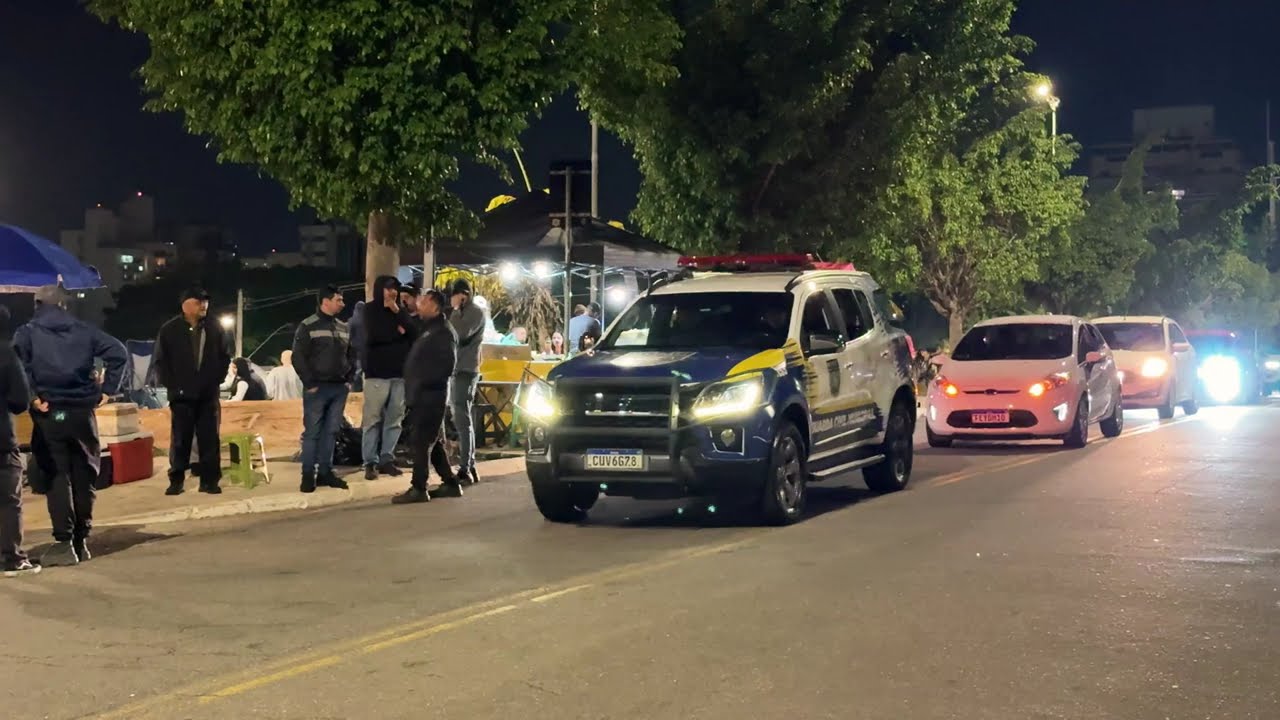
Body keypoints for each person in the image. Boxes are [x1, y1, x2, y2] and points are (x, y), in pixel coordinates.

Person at [14, 285, 127, 567]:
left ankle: (64, 543)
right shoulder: (85, 330)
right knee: (83, 473)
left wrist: (33, 397)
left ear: (37, 304)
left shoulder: (26, 333)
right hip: (82, 412)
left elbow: (17, 367)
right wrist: (107, 390)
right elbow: (119, 353)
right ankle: (82, 540)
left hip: (50, 413)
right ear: (64, 305)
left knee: (57, 476)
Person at [154, 287, 231, 496]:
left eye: (205, 301)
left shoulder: (215, 328)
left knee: (209, 439)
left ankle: (210, 481)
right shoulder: (169, 330)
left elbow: (225, 356)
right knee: (180, 440)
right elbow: (160, 362)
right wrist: (173, 386)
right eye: (198, 302)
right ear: (185, 305)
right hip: (181, 396)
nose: (204, 305)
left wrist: (217, 379)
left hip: (207, 395)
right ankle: (176, 479)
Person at [393, 289, 463, 504]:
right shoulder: (429, 329)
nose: (418, 305)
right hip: (421, 394)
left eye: (422, 302)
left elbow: (446, 366)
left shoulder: (443, 332)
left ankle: (419, 487)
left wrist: (422, 382)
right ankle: (450, 483)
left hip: (431, 395)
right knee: (432, 441)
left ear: (434, 306)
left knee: (421, 442)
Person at [293, 285, 356, 493]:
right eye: (339, 299)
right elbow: (298, 357)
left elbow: (352, 355)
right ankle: (308, 475)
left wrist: (349, 379)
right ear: (325, 301)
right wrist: (309, 383)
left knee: (331, 432)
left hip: (339, 388)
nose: (342, 304)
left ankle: (326, 473)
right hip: (317, 389)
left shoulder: (343, 327)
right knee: (313, 433)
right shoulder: (307, 326)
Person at [361, 276, 417, 480]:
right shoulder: (369, 310)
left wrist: (398, 314)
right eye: (388, 288)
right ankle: (370, 462)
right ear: (379, 290)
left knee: (395, 419)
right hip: (377, 374)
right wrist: (399, 334)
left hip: (400, 374)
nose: (392, 292)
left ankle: (387, 458)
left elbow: (414, 334)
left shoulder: (400, 312)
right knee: (372, 419)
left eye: (395, 288)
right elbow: (374, 336)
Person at [0, 307, 38, 577]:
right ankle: (12, 558)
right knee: (8, 500)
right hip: (1, 440)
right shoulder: (6, 354)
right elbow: (19, 401)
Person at [447, 278, 486, 485]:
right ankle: (468, 465)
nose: (451, 300)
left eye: (454, 295)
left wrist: (456, 311)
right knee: (459, 416)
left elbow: (458, 334)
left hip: (466, 370)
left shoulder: (475, 312)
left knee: (462, 418)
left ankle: (466, 466)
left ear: (464, 294)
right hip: (456, 369)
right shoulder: (460, 312)